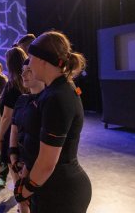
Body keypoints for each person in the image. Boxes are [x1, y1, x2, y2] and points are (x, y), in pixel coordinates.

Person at [14, 30, 92, 212]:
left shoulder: (58, 96)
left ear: (42, 60)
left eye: (31, 58)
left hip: (61, 194)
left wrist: (25, 190)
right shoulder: (53, 91)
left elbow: (48, 162)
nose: (29, 64)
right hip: (50, 189)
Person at [0, 47, 28, 188]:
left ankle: (22, 203)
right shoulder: (30, 82)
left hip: (12, 133)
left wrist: (0, 137)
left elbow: (6, 117)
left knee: (14, 169)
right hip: (27, 130)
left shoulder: (11, 86)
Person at [9, 59, 45, 213]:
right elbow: (14, 129)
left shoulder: (48, 101)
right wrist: (13, 155)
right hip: (21, 162)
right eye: (23, 70)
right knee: (23, 202)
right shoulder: (22, 99)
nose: (23, 74)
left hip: (38, 167)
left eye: (29, 70)